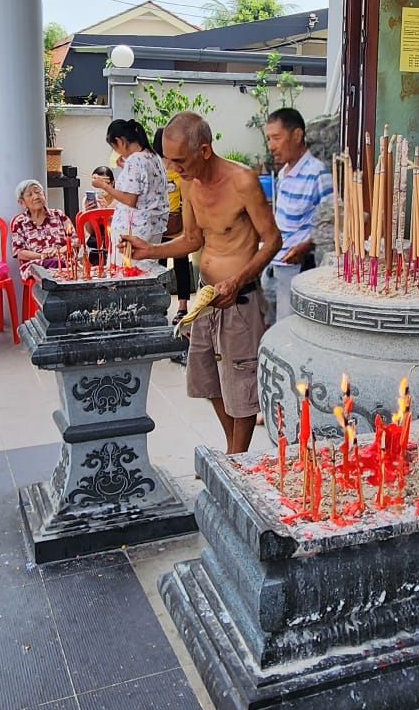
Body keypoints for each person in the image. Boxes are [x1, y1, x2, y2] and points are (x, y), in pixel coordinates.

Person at [123, 113, 281, 454]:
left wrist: (237, 281)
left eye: (179, 160)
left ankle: (234, 461)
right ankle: (232, 452)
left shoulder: (242, 182)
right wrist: (152, 248)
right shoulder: (189, 183)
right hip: (207, 298)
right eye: (168, 158)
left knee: (241, 384)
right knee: (206, 376)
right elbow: (193, 239)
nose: (172, 168)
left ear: (204, 150)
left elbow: (272, 240)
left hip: (240, 299)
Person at [264, 107, 333, 323]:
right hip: (274, 263)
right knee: (270, 326)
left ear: (297, 135)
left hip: (296, 269)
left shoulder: (318, 173)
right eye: (268, 139)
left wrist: (306, 246)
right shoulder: (284, 173)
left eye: (276, 137)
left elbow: (332, 225)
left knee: (287, 329)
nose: (271, 146)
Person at [94, 119, 169, 247]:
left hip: (134, 230)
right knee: (147, 266)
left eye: (114, 147)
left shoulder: (134, 160)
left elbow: (130, 200)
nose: (117, 152)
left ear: (120, 141)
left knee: (129, 267)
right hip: (154, 228)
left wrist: (104, 186)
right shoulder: (153, 156)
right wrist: (125, 166)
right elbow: (145, 181)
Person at [9, 179, 75, 267]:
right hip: (36, 264)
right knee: (55, 264)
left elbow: (75, 241)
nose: (36, 197)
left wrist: (58, 252)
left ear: (44, 195)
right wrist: (42, 256)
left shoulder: (58, 215)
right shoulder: (19, 222)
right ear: (22, 202)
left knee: (61, 263)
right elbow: (19, 252)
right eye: (30, 195)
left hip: (64, 261)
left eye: (38, 192)